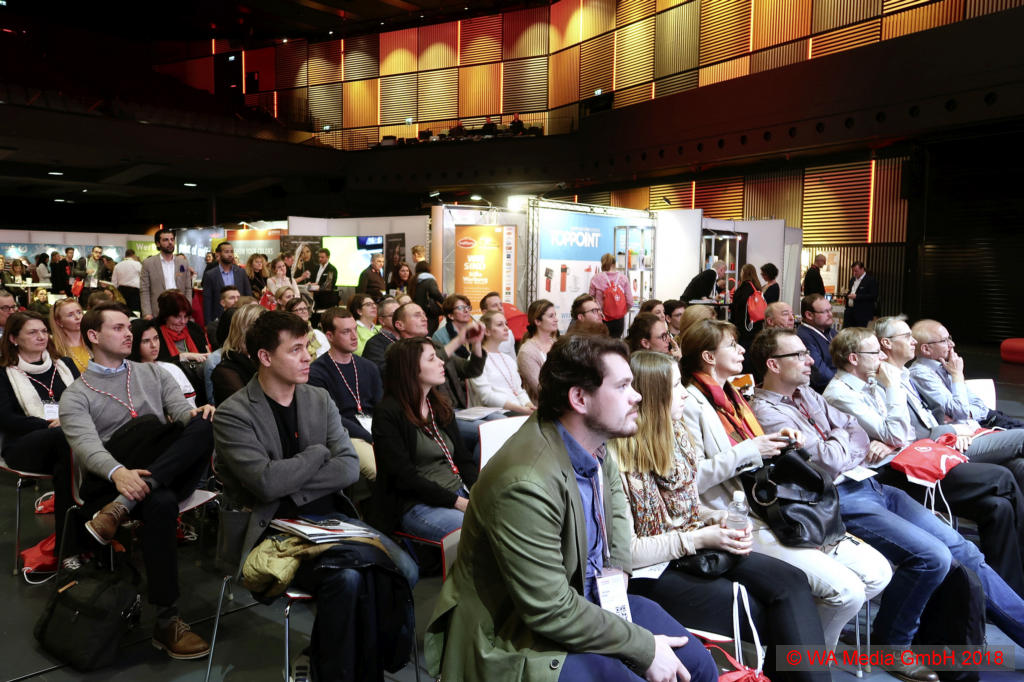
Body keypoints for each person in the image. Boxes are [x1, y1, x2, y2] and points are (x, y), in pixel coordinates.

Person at [426, 333, 717, 682]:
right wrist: (643, 646)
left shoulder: (594, 443)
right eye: (622, 386)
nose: (637, 395)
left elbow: (616, 510)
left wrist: (617, 573)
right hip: (514, 633)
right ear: (579, 398)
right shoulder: (525, 483)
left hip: (585, 601)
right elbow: (549, 610)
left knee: (698, 666)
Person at [750, 329, 1024, 660]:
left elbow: (857, 435)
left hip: (871, 483)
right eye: (798, 355)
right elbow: (829, 460)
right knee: (934, 557)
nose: (810, 360)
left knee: (964, 549)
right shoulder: (766, 411)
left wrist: (841, 440)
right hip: (837, 499)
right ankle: (891, 646)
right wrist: (844, 439)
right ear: (773, 364)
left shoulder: (807, 394)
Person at [212, 310, 418, 682]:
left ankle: (325, 660)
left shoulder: (318, 399)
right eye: (295, 349)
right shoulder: (234, 413)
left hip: (331, 521)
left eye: (307, 346)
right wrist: (317, 453)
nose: (308, 356)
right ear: (265, 357)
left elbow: (348, 468)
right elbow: (267, 484)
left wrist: (289, 475)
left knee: (405, 569)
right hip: (273, 531)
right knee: (351, 580)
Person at [611, 351, 828, 682]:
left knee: (793, 582)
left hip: (689, 546)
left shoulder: (676, 436)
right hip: (651, 570)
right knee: (765, 611)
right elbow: (629, 552)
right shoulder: (617, 461)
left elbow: (683, 509)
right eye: (675, 386)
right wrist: (700, 536)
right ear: (652, 398)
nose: (684, 393)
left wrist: (715, 518)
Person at [678, 319, 891, 648]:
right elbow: (691, 480)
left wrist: (777, 442)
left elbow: (846, 437)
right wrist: (753, 449)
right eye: (732, 345)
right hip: (737, 517)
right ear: (708, 357)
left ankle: (794, 642)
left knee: (878, 573)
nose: (741, 350)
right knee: (847, 592)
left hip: (776, 507)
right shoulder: (691, 403)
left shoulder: (734, 397)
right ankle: (805, 661)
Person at [59, 302, 215, 660]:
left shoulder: (154, 374)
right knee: (150, 445)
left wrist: (197, 414)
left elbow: (181, 414)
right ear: (93, 336)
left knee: (204, 423)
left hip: (148, 481)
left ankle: (124, 508)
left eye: (128, 328)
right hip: (108, 482)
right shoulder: (77, 394)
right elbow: (88, 449)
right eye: (118, 328)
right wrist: (119, 473)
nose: (128, 334)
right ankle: (167, 620)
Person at [825, 325, 1024, 596]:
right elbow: (900, 433)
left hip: (916, 454)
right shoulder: (844, 393)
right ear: (854, 358)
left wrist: (888, 438)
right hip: (895, 472)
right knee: (1003, 477)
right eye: (875, 352)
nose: (881, 357)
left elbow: (904, 432)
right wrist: (892, 401)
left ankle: (1008, 590)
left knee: (998, 506)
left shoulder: (873, 382)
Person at [371, 337, 476, 541]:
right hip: (417, 503)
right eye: (431, 358)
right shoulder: (388, 413)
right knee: (478, 531)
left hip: (458, 492)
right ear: (410, 368)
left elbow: (463, 459)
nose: (441, 362)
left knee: (508, 516)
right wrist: (458, 502)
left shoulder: (439, 406)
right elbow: (403, 477)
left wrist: (479, 492)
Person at [0, 311, 80, 555]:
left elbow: (88, 400)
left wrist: (66, 423)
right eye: (33, 332)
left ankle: (69, 543)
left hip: (67, 443)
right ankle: (77, 540)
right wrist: (50, 425)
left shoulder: (64, 365)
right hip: (23, 445)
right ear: (14, 338)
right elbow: (6, 419)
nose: (41, 336)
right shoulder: (3, 373)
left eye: (44, 331)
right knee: (65, 441)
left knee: (65, 464)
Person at [309, 306, 382, 490]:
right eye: (346, 332)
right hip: (345, 433)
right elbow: (330, 416)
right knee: (379, 469)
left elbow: (381, 406)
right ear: (330, 336)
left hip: (375, 428)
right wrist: (369, 436)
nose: (354, 336)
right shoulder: (317, 372)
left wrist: (383, 432)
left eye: (355, 330)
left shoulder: (368, 367)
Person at [910, 319, 1024, 430]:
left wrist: (968, 413)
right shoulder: (921, 374)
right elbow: (959, 412)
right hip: (977, 426)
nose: (952, 344)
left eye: (949, 338)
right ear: (926, 349)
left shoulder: (946, 365)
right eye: (944, 341)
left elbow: (980, 405)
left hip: (985, 417)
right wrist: (957, 375)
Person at [469, 310, 535, 415]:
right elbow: (486, 397)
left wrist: (529, 405)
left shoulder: (508, 359)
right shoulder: (476, 359)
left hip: (517, 410)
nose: (507, 328)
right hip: (496, 413)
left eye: (506, 324)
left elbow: (519, 391)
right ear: (487, 331)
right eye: (500, 325)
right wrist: (520, 409)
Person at [131, 319, 199, 408]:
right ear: (135, 344)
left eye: (156, 338)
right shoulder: (129, 374)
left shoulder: (171, 368)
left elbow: (190, 406)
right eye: (146, 341)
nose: (153, 345)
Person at [210, 303, 265, 405]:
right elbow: (249, 407)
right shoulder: (225, 371)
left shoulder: (263, 360)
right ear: (244, 331)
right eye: (262, 329)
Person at [140, 229, 192, 320]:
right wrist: (147, 313)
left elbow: (188, 288)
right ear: (158, 243)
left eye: (172, 239)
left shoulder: (183, 263)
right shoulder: (148, 263)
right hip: (158, 310)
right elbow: (144, 290)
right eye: (166, 240)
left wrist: (188, 309)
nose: (170, 242)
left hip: (180, 310)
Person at [517, 299, 559, 402]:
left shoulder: (557, 344)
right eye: (551, 316)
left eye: (555, 315)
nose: (556, 319)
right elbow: (540, 389)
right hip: (541, 406)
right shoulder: (527, 351)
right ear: (537, 321)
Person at [201, 242, 252, 324]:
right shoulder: (210, 274)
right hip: (219, 318)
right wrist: (208, 323)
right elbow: (207, 300)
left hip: (239, 317)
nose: (230, 254)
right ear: (218, 254)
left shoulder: (241, 272)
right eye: (226, 252)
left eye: (231, 251)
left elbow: (248, 294)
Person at [154, 290, 210, 364]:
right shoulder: (154, 334)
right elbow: (154, 364)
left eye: (186, 316)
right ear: (165, 316)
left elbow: (206, 355)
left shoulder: (194, 329)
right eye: (177, 317)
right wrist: (183, 356)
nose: (183, 321)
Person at [795, 294, 837, 392]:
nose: (830, 314)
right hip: (825, 390)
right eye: (825, 312)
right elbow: (820, 373)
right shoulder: (803, 337)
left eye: (830, 310)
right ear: (809, 315)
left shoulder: (830, 332)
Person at [588, 253, 633, 338]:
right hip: (619, 320)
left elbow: (590, 300)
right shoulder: (623, 278)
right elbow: (630, 302)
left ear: (602, 264)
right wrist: (621, 311)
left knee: (601, 343)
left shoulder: (596, 278)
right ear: (614, 264)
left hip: (601, 318)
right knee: (616, 342)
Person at [730, 264, 764, 360]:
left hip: (743, 327)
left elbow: (735, 309)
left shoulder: (741, 289)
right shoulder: (757, 288)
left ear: (743, 273)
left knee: (744, 353)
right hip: (756, 325)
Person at [50, 297, 90, 372]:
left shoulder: (94, 341)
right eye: (70, 315)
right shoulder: (54, 348)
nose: (77, 317)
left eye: (79, 312)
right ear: (59, 322)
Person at [431, 294, 473, 359]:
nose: (466, 310)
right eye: (460, 308)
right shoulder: (439, 336)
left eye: (467, 307)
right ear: (451, 315)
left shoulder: (473, 331)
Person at [362, 298, 400, 368]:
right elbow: (383, 371)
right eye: (393, 315)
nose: (399, 318)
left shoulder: (407, 337)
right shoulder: (374, 344)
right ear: (382, 321)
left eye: (400, 314)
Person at [410, 260, 443, 335]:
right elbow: (435, 293)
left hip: (415, 310)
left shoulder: (413, 279)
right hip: (429, 312)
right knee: (429, 331)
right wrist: (445, 302)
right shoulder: (429, 279)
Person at [479, 291, 517, 356]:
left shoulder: (508, 333)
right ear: (485, 312)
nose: (500, 308)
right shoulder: (478, 335)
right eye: (494, 305)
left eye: (501, 305)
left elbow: (513, 358)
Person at [843, 261, 877, 328]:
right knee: (847, 331)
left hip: (862, 313)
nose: (854, 273)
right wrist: (847, 295)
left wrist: (857, 297)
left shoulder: (870, 280)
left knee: (859, 332)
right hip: (850, 311)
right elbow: (851, 291)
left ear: (862, 269)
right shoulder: (852, 279)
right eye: (853, 271)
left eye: (856, 271)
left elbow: (873, 296)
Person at [111, 248, 142, 313]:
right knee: (135, 312)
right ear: (133, 255)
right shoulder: (137, 264)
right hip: (134, 292)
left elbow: (114, 282)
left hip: (121, 291)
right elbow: (143, 278)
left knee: (122, 311)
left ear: (125, 256)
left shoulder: (118, 265)